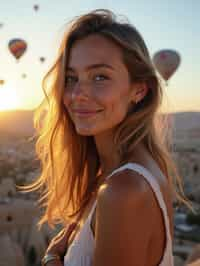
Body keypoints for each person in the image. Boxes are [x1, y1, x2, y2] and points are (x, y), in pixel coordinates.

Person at [22, 9, 193, 266]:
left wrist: (51, 259)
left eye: (100, 76)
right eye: (71, 78)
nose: (77, 93)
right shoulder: (129, 172)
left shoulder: (123, 191)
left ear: (139, 90)